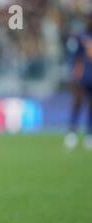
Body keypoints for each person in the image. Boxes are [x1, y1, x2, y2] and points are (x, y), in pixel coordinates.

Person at [64, 16, 92, 150]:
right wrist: (75, 75)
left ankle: (89, 134)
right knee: (77, 104)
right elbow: (76, 58)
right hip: (83, 77)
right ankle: (72, 132)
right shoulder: (82, 37)